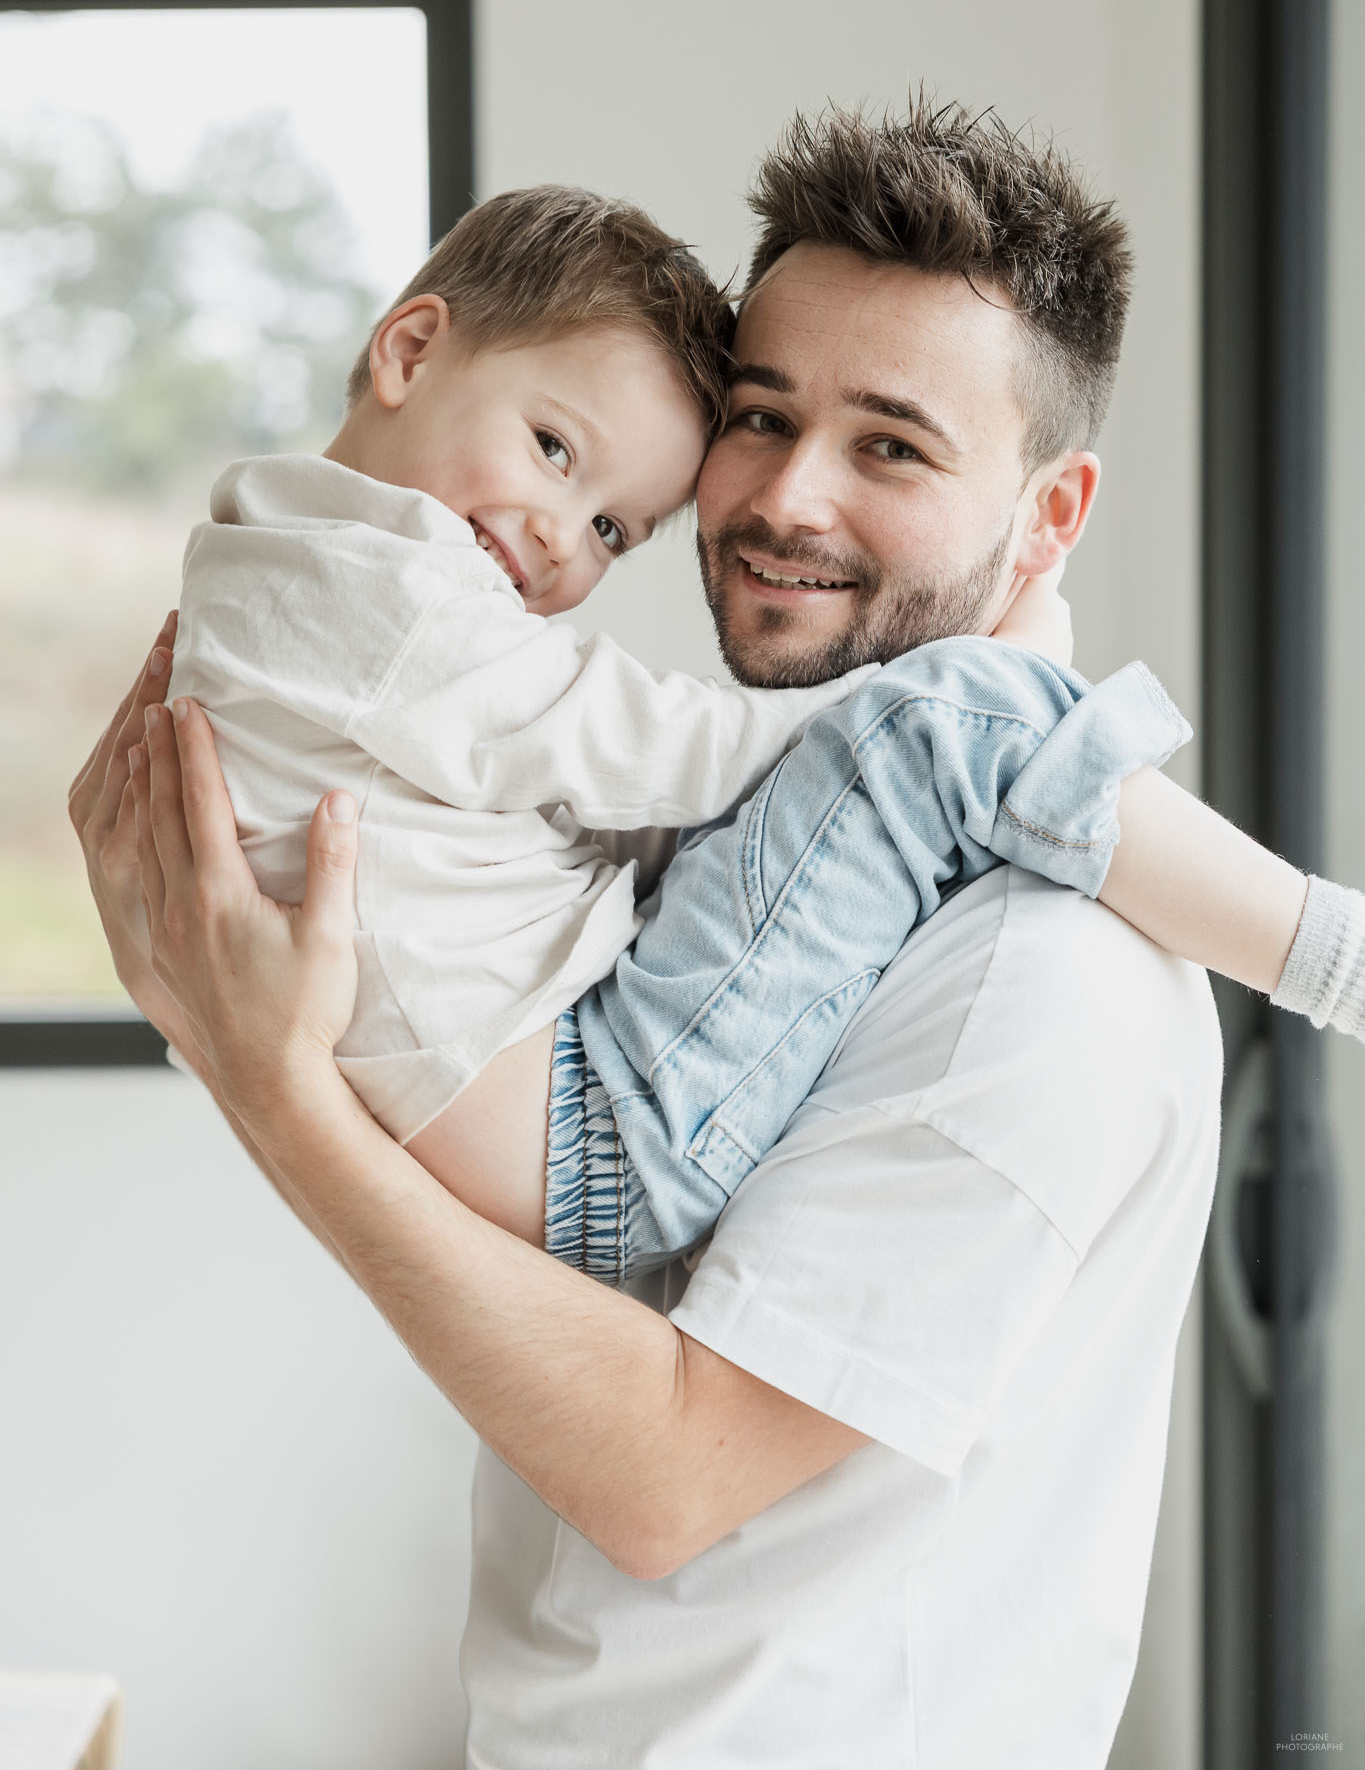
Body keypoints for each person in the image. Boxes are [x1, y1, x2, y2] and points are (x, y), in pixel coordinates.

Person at [72, 100, 1365, 1766]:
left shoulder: (1038, 973)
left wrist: (272, 1086)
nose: (782, 500)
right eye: (760, 419)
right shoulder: (771, 841)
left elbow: (665, 1478)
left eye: (890, 446)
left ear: (1046, 519)